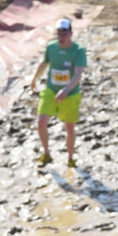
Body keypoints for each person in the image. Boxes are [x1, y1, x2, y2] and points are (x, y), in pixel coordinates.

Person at [30, 17, 87, 168]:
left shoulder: (79, 51)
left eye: (64, 34)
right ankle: (47, 153)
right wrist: (34, 79)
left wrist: (66, 90)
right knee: (41, 121)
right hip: (50, 91)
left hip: (71, 94)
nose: (61, 37)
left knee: (69, 127)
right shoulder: (51, 47)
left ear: (71, 34)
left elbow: (78, 74)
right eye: (59, 34)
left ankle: (70, 158)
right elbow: (44, 63)